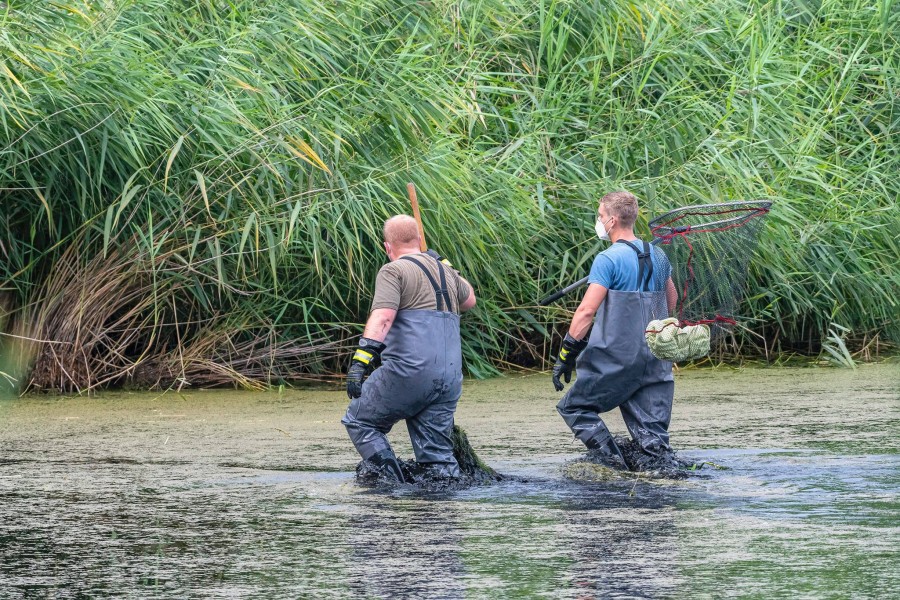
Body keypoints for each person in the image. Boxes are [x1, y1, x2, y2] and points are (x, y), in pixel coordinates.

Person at [342, 215, 477, 482]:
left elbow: (382, 316)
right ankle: (442, 511)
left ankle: (391, 488)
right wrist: (445, 263)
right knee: (437, 458)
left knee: (359, 420)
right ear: (418, 240)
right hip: (449, 378)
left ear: (387, 247)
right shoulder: (446, 270)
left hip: (410, 372)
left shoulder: (393, 270)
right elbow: (470, 300)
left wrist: (360, 362)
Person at [552, 191, 678, 468]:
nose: (598, 221)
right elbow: (671, 299)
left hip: (618, 358)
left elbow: (586, 311)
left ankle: (613, 465)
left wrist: (566, 355)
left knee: (574, 407)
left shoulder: (607, 259)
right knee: (653, 439)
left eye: (599, 216)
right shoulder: (658, 255)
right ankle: (659, 479)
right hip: (657, 358)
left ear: (611, 220)